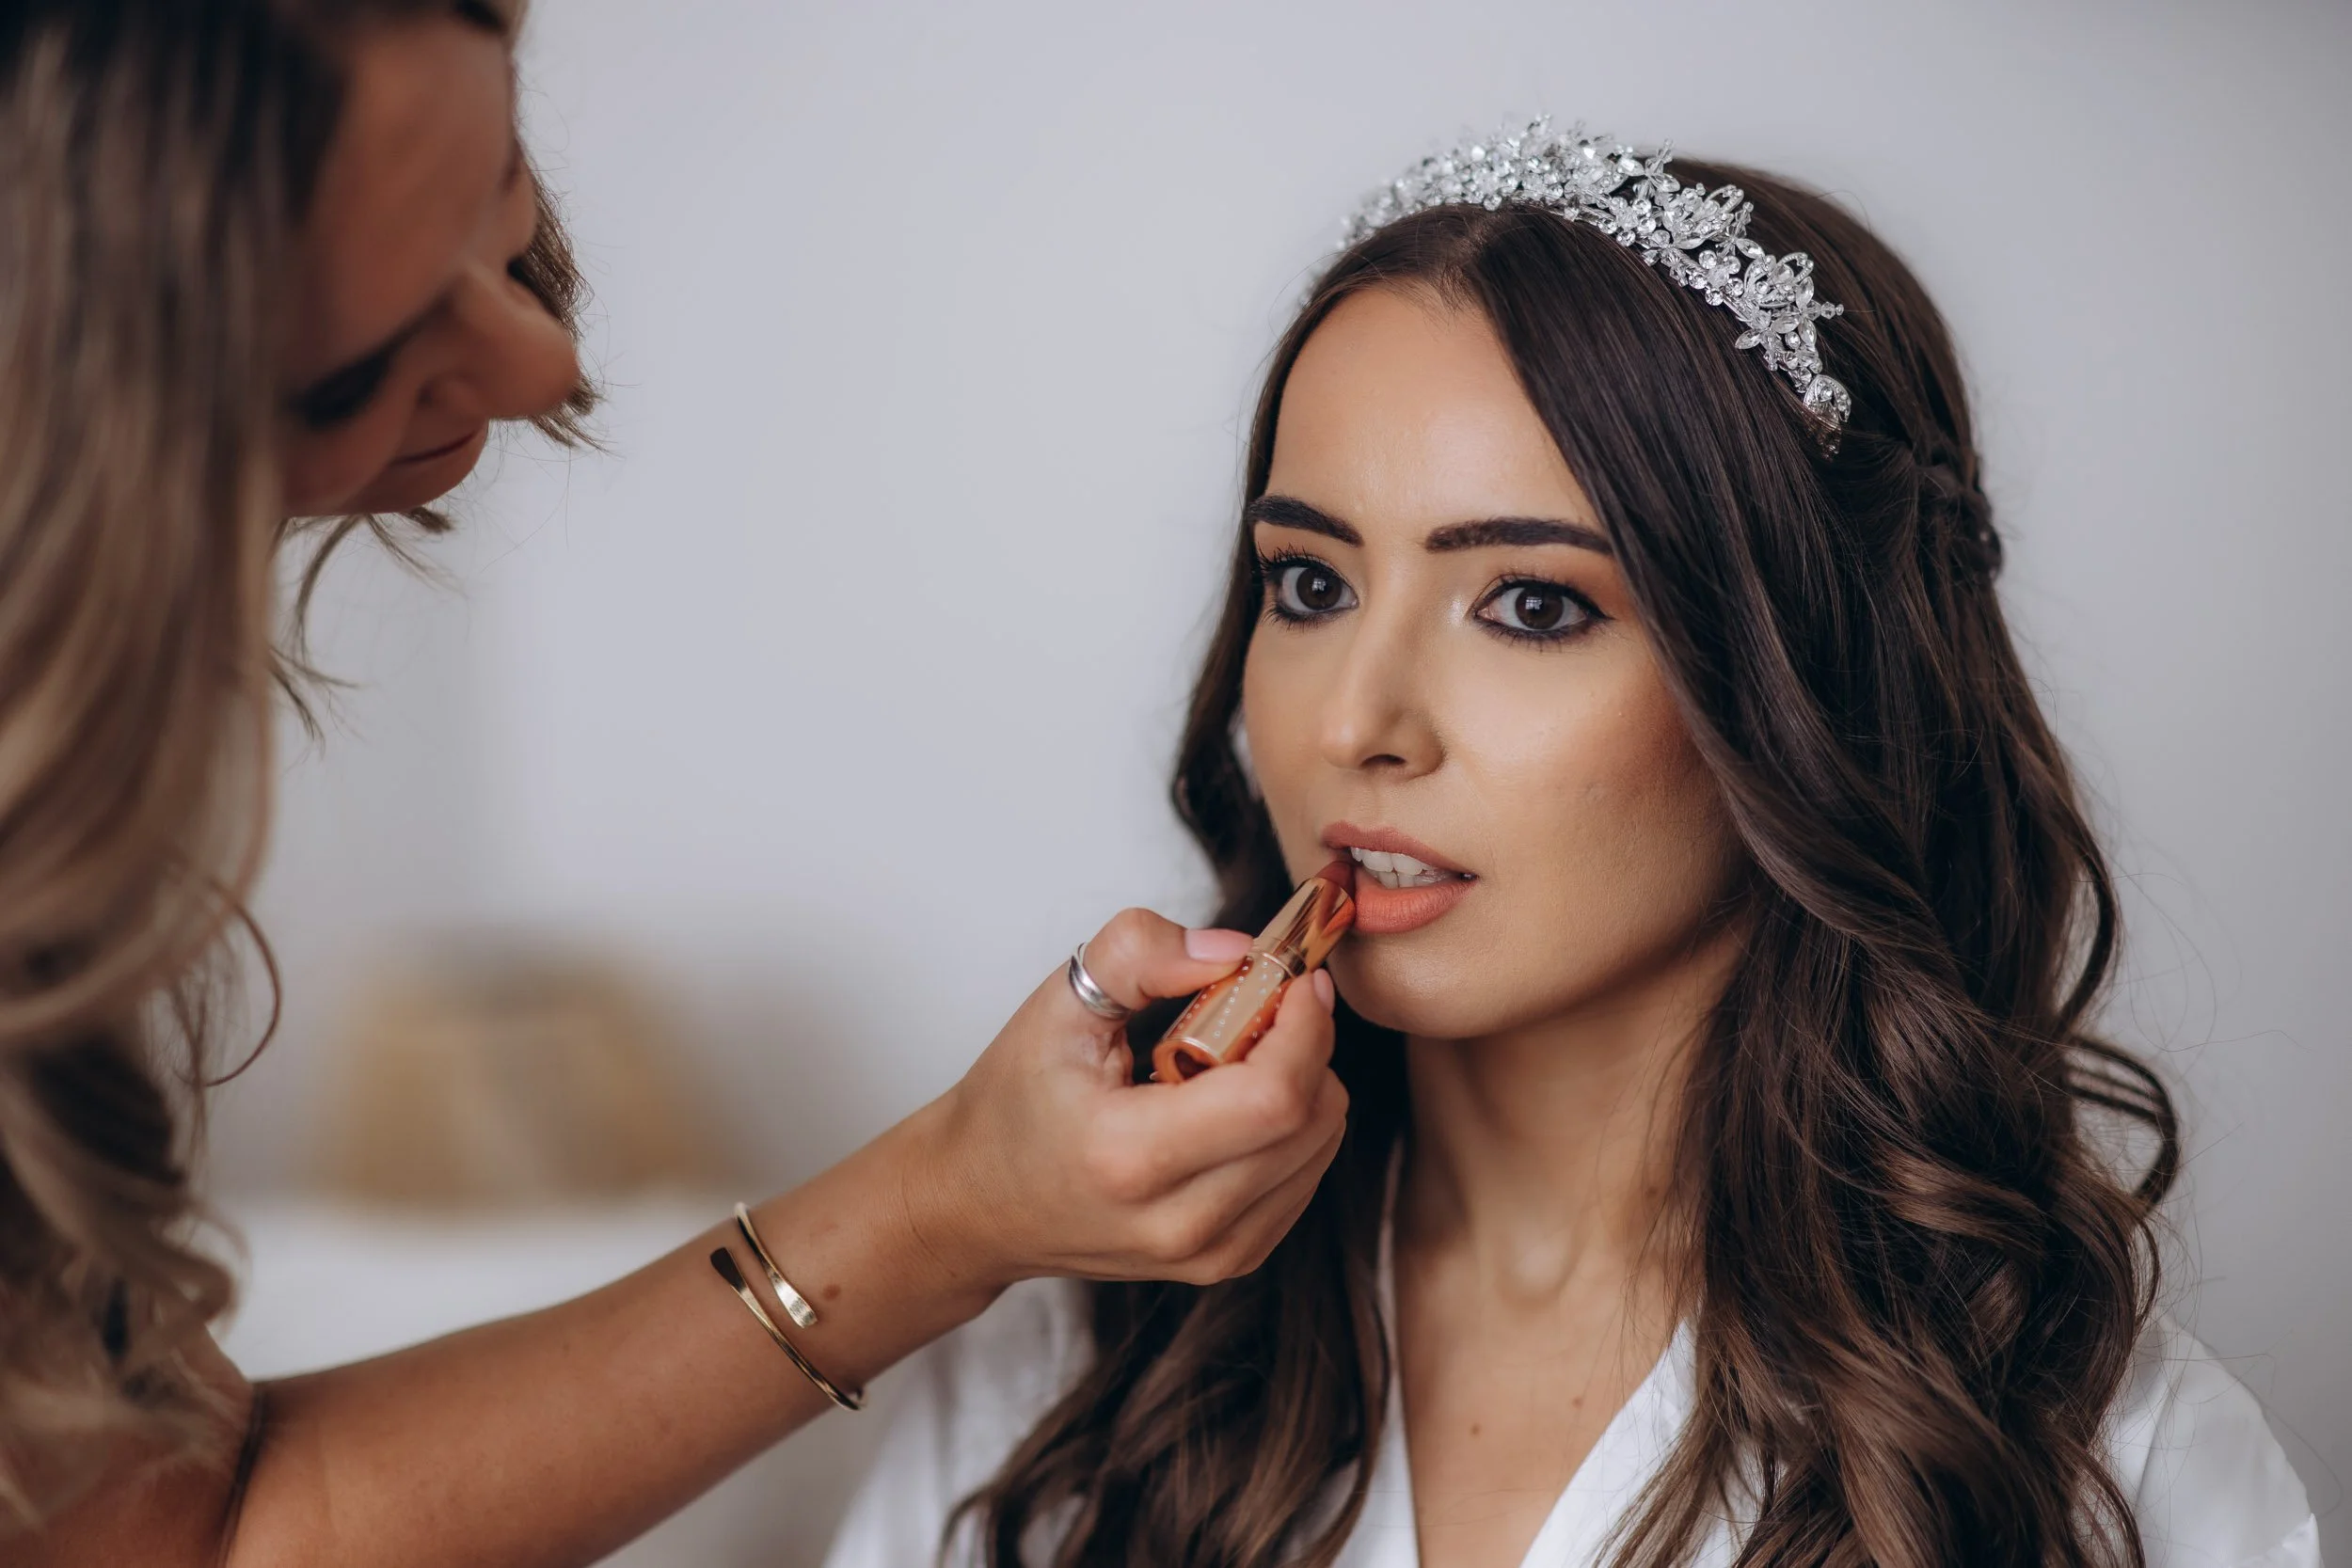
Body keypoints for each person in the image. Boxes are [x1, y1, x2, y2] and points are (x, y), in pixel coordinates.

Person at [821, 125, 2322, 1568]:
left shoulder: (2099, 1465)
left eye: (1532, 603)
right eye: (1309, 583)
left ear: (1802, 675)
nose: (1358, 721)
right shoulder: (1087, 1373)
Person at [0, 4, 1352, 1563]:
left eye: (496, 191)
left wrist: (955, 1202)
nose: (543, 362)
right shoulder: (1061, 1412)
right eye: (350, 368)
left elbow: (184, 1520)